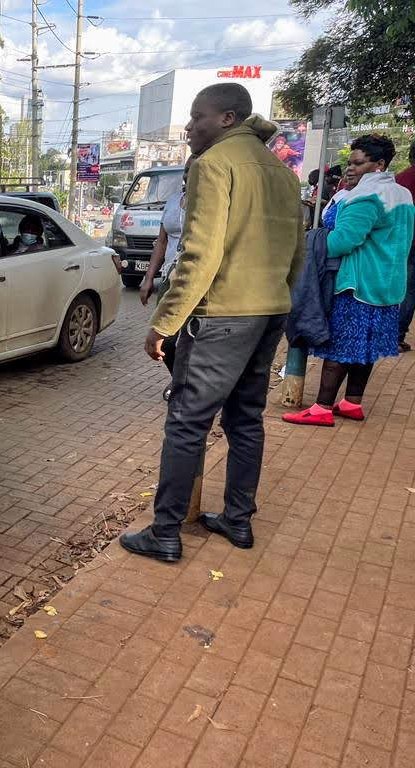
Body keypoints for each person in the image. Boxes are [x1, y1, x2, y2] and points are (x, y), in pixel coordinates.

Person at [119, 83, 305, 562]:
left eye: (197, 116)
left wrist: (163, 323)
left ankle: (164, 533)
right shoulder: (282, 172)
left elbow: (199, 255)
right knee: (246, 420)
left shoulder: (212, 164)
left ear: (227, 119)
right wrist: (277, 299)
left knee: (186, 424)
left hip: (221, 314)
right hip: (269, 311)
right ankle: (238, 521)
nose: (188, 126)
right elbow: (296, 253)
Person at [284, 135, 415, 426]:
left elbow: (342, 241)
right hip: (388, 284)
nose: (350, 169)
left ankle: (321, 408)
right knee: (366, 347)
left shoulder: (366, 197)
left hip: (356, 284)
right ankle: (352, 402)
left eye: (358, 163)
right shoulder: (402, 194)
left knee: (342, 346)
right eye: (350, 163)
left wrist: (312, 243)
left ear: (379, 165)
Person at [139, 155, 197, 395]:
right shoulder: (174, 201)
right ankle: (179, 380)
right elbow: (161, 243)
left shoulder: (210, 204)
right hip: (169, 277)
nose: (186, 175)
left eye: (192, 171)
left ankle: (190, 387)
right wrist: (148, 278)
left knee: (191, 338)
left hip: (195, 278)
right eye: (186, 170)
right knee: (168, 339)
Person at [395, 141, 415, 350]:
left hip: (405, 241)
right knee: (410, 290)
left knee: (407, 288)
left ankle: (397, 334)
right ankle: (397, 334)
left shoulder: (401, 179)